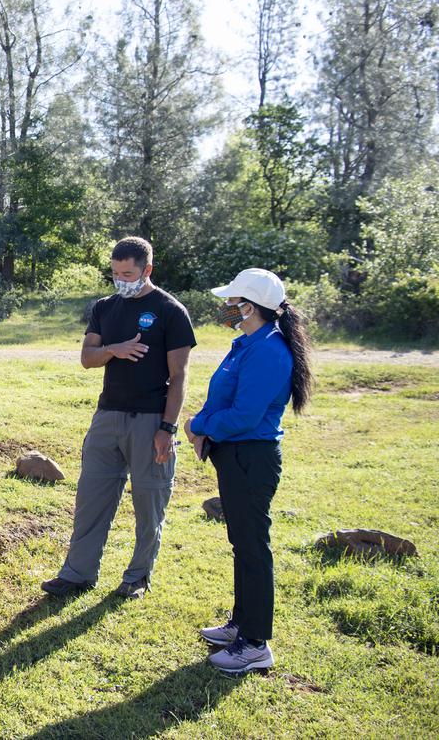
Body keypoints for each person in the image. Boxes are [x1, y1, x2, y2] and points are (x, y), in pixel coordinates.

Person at [42, 237, 195, 600]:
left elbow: (181, 377)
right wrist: (114, 350)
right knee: (91, 497)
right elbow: (87, 358)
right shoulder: (105, 307)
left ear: (147, 270)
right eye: (115, 273)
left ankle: (138, 576)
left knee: (149, 501)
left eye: (128, 273)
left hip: (151, 419)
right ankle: (77, 573)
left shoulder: (171, 311)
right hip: (107, 417)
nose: (120, 280)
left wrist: (167, 428)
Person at [186, 268, 313, 675]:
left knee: (253, 548)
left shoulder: (270, 351)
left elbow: (245, 415)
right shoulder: (247, 344)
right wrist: (204, 422)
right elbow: (223, 397)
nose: (226, 308)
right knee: (243, 544)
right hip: (236, 456)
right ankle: (241, 624)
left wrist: (198, 426)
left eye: (233, 302)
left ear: (251, 306)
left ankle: (256, 643)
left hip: (250, 458)